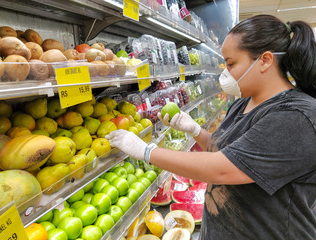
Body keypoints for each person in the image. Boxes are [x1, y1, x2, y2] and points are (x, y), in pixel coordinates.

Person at [106, 14, 316, 239]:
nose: (225, 73)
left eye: (231, 63)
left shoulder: (297, 116)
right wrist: (195, 131)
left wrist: (147, 151)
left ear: (264, 60)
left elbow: (224, 167)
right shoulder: (245, 102)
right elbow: (225, 151)